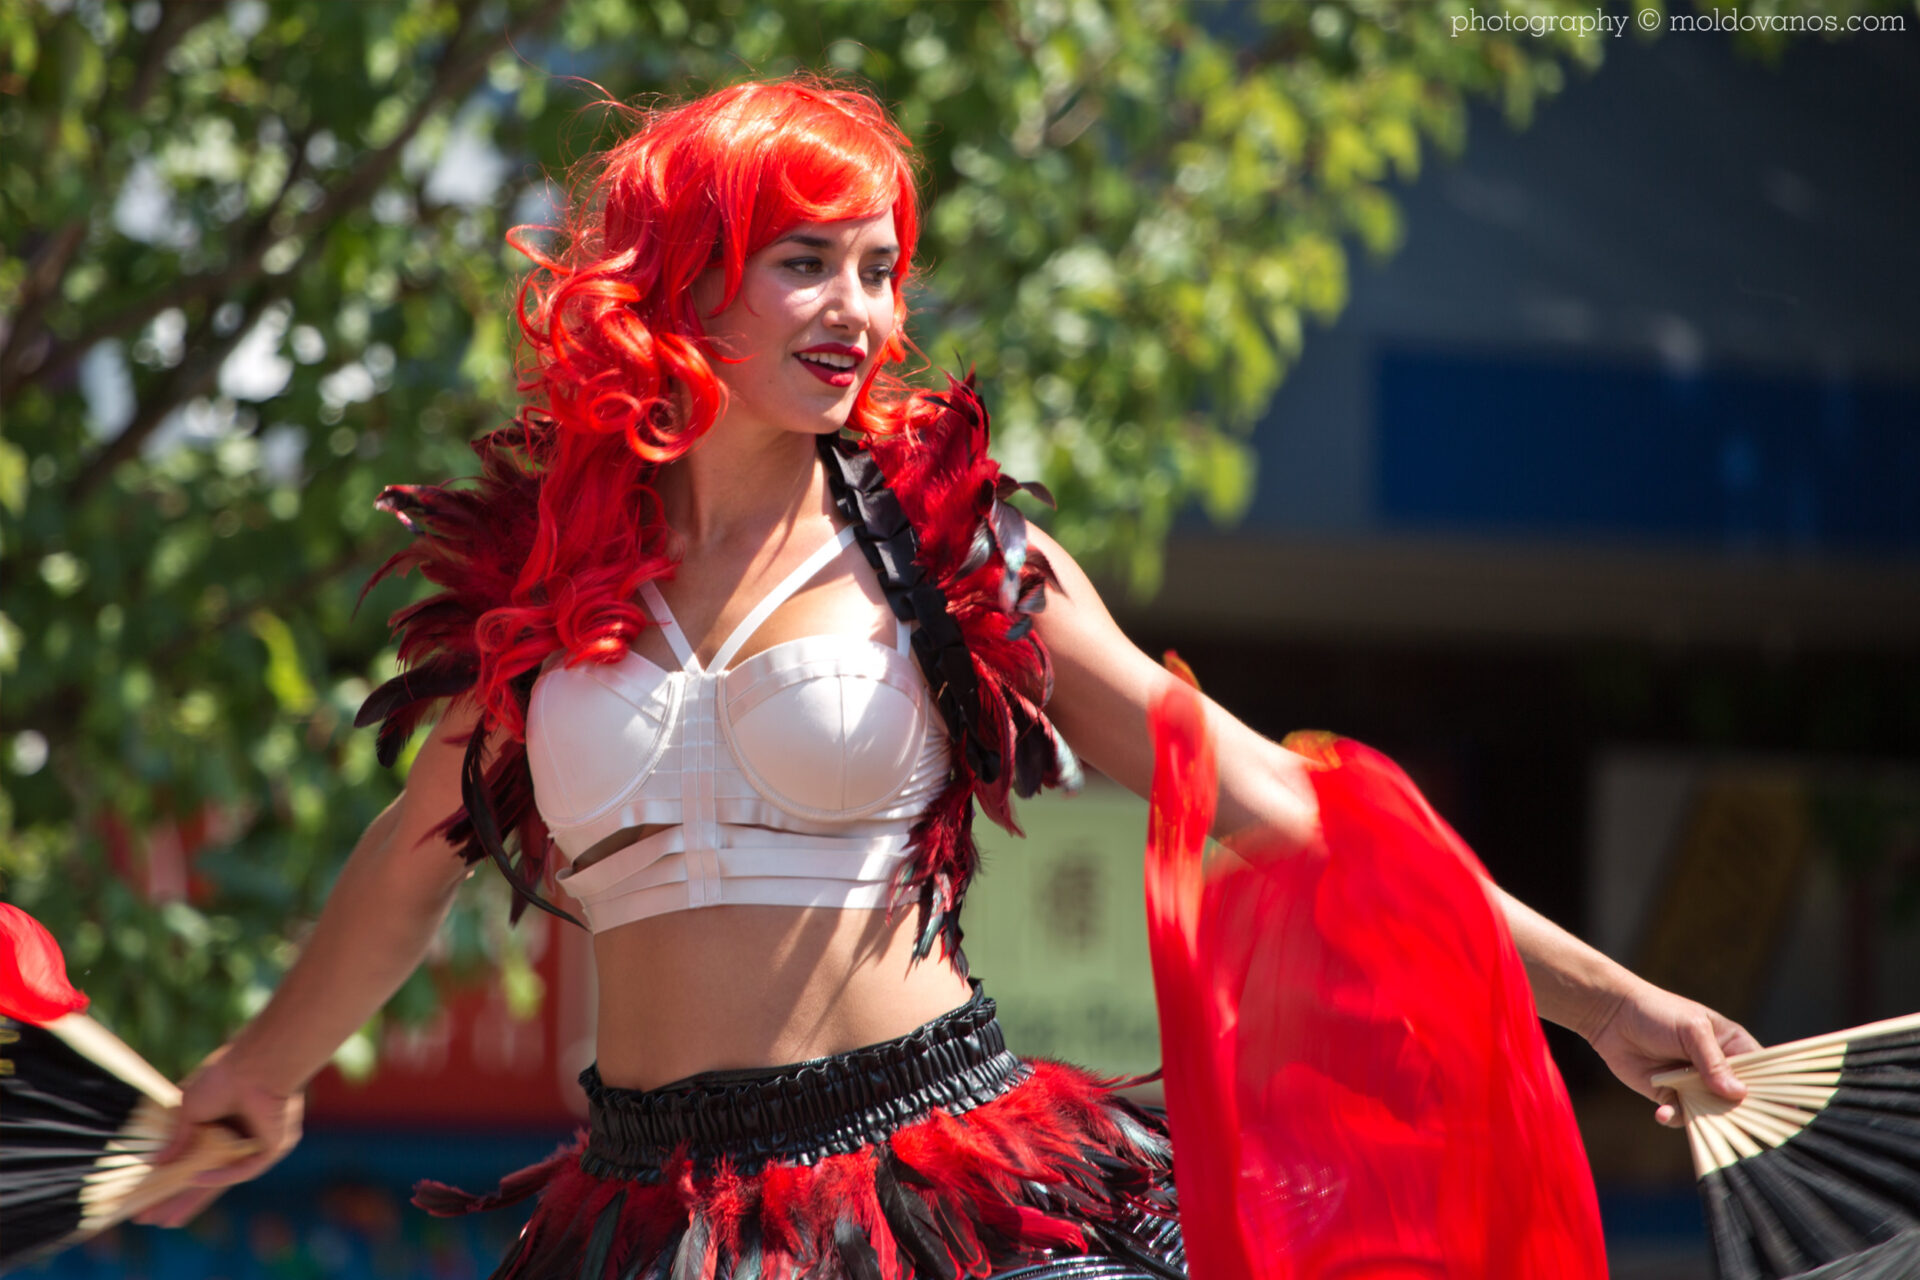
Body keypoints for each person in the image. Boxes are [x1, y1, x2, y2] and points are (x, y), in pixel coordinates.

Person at [135, 77, 1757, 1275]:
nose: (862, 311)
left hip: (933, 1189)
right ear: (682, 283)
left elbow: (1284, 810)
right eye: (806, 264)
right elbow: (409, 869)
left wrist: (1606, 1004)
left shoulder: (962, 559)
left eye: (879, 267)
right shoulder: (548, 595)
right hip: (639, 1217)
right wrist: (253, 1082)